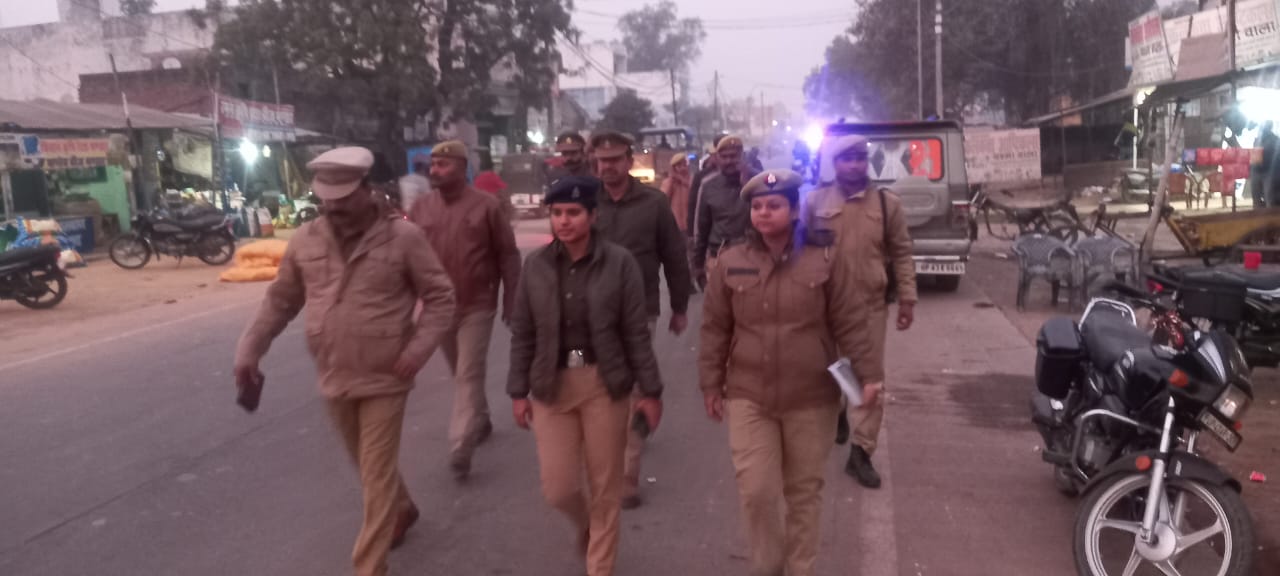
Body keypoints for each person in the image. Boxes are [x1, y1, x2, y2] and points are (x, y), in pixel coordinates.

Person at [234, 147, 456, 576]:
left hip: (387, 374)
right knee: (366, 463)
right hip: (334, 372)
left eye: (343, 198)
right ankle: (403, 507)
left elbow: (441, 297)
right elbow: (280, 301)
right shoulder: (306, 239)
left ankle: (369, 566)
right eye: (326, 199)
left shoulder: (402, 237)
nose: (333, 207)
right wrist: (249, 350)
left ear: (365, 190)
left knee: (375, 473)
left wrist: (418, 350)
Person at [701, 169, 882, 576]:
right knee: (757, 492)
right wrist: (711, 383)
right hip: (749, 396)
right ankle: (768, 567)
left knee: (804, 493)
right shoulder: (731, 262)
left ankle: (801, 569)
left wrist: (868, 375)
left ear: (796, 210)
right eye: (758, 207)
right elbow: (714, 329)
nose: (764, 213)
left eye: (774, 205)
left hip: (811, 398)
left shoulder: (825, 258)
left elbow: (851, 321)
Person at [508, 176, 664, 576]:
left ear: (593, 216)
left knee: (605, 484)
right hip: (551, 384)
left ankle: (600, 565)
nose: (564, 221)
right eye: (557, 213)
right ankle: (589, 528)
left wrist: (650, 390)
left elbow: (635, 333)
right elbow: (523, 332)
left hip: (603, 382)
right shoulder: (536, 266)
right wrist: (518, 391)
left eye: (574, 213)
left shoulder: (619, 263)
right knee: (559, 488)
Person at [801, 134, 917, 489]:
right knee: (831, 371)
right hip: (824, 306)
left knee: (870, 380)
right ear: (835, 164)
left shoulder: (886, 204)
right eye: (846, 159)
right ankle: (839, 411)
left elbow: (901, 252)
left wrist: (908, 298)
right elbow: (799, 253)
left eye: (860, 159)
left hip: (868, 307)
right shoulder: (815, 201)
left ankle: (861, 452)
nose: (854, 165)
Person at [408, 140, 522, 481]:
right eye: (433, 164)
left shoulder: (487, 206)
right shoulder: (421, 208)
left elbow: (508, 255)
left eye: (443, 165)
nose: (435, 170)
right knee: (460, 372)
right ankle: (480, 419)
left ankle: (460, 444)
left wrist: (511, 298)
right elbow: (407, 259)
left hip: (477, 304)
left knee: (468, 373)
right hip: (438, 307)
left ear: (461, 167)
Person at [590, 130, 692, 509]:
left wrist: (679, 307)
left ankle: (627, 476)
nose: (608, 167)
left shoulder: (653, 203)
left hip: (639, 310)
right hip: (589, 312)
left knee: (631, 385)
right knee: (598, 385)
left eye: (615, 159)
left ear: (629, 161)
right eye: (602, 161)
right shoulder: (586, 201)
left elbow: (673, 256)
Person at [692, 135, 755, 289]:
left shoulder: (757, 180)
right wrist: (698, 264)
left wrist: (747, 186)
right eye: (724, 157)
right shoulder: (708, 185)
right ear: (717, 158)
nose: (728, 161)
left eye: (733, 156)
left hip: (753, 256)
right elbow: (701, 227)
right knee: (718, 303)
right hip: (719, 256)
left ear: (742, 156)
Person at [661, 153, 694, 236]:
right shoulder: (668, 182)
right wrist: (672, 181)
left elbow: (695, 193)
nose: (683, 168)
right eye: (679, 166)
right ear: (674, 168)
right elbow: (663, 199)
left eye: (684, 165)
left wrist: (683, 181)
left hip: (690, 224)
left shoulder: (692, 180)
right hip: (675, 225)